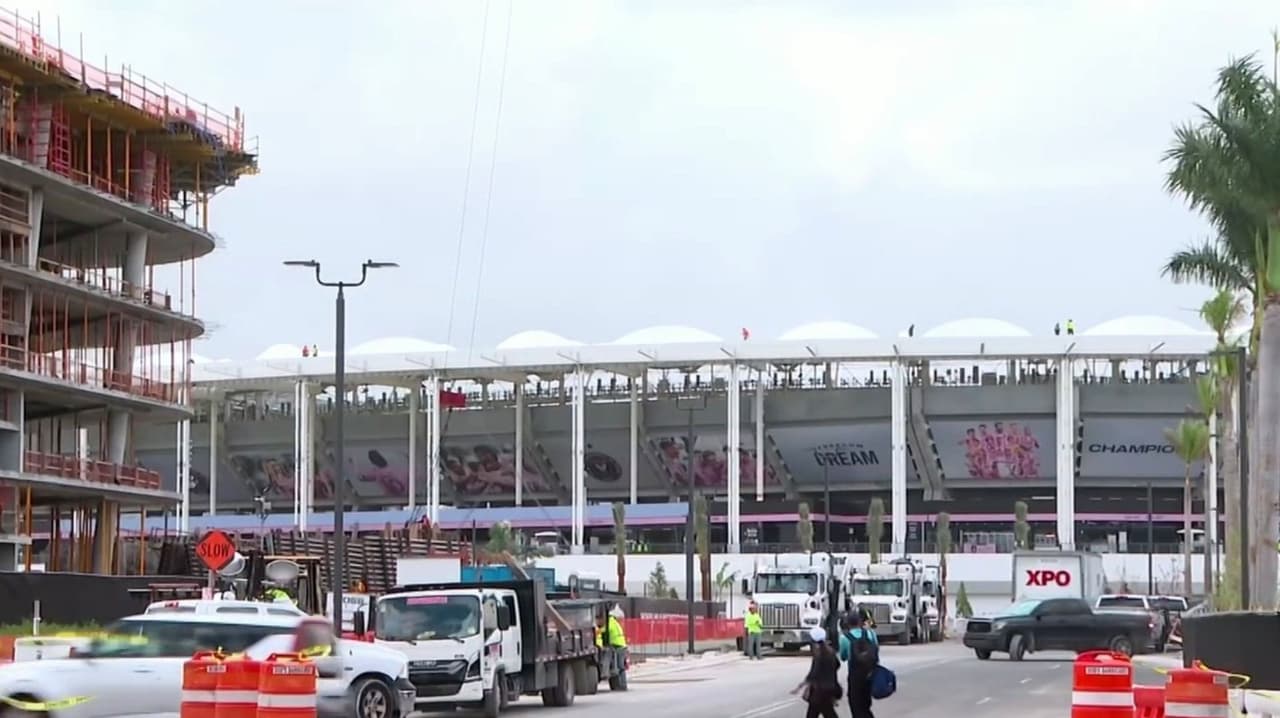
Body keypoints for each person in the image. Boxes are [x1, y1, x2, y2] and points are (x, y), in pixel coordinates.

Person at [792, 627, 841, 718]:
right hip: (830, 687)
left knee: (819, 713)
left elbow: (814, 673)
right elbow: (837, 665)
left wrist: (801, 686)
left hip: (819, 690)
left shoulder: (819, 654)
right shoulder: (831, 651)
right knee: (825, 712)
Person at [841, 612, 879, 718]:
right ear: (860, 622)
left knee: (856, 705)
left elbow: (843, 657)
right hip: (870, 674)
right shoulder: (870, 634)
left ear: (847, 623)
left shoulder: (844, 638)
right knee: (866, 705)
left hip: (855, 676)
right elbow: (876, 648)